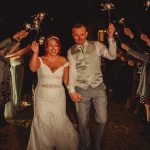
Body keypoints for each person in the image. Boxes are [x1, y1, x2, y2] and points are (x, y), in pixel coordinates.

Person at [67, 23, 117, 150]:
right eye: (76, 35)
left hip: (98, 87)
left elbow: (112, 56)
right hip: (80, 88)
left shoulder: (96, 45)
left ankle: (98, 144)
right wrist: (71, 90)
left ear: (86, 34)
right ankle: (86, 146)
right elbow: (72, 72)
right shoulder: (70, 51)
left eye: (82, 34)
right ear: (73, 35)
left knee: (103, 120)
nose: (79, 37)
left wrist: (110, 38)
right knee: (83, 123)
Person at [27, 36, 78, 150]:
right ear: (46, 47)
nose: (53, 48)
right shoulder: (40, 59)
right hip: (41, 97)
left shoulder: (64, 60)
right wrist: (35, 53)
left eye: (56, 45)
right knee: (42, 121)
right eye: (50, 45)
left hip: (58, 97)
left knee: (59, 121)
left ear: (59, 47)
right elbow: (32, 68)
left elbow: (66, 81)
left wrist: (72, 92)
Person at [122, 27, 150, 135]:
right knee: (147, 105)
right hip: (146, 83)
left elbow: (141, 56)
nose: (146, 45)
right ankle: (147, 127)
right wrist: (131, 35)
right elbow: (140, 49)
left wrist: (128, 49)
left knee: (148, 105)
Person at [0, 30, 29, 126]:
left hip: (4, 79)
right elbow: (4, 45)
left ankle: (2, 120)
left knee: (3, 100)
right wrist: (16, 36)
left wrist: (19, 38)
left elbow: (9, 47)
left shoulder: (4, 54)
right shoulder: (2, 50)